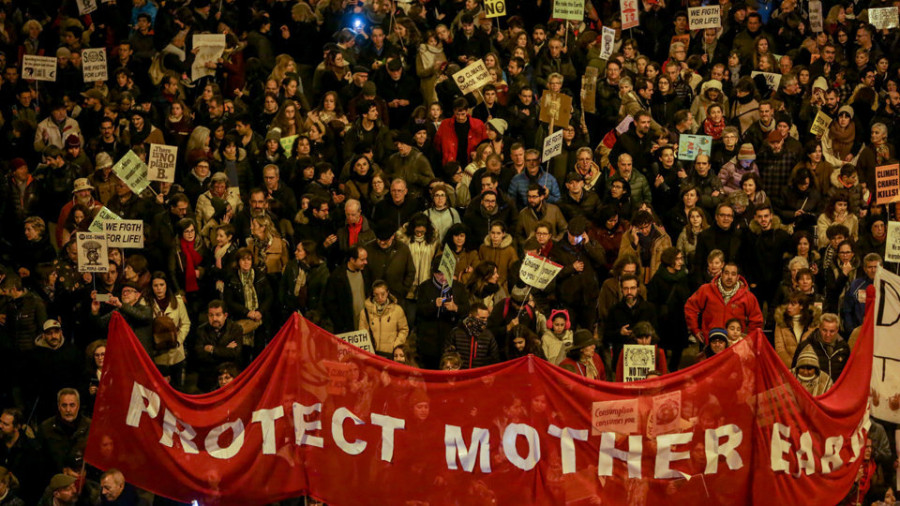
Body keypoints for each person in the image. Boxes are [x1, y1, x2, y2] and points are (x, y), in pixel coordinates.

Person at [684, 263, 764, 344]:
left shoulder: (748, 297)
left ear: (737, 277)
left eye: (733, 274)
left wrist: (748, 339)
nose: (729, 277)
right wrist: (695, 329)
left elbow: (756, 321)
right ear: (721, 274)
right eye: (726, 273)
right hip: (710, 342)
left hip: (734, 345)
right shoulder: (706, 290)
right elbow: (690, 307)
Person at [36, 389, 90, 476]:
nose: (68, 410)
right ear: (58, 406)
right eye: (64, 405)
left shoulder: (90, 427)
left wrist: (86, 472)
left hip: (84, 480)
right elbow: (39, 462)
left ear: (78, 406)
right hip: (54, 481)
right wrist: (62, 470)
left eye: (72, 405)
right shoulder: (46, 428)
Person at [194, 300, 243, 392]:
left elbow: (235, 353)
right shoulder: (201, 330)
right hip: (208, 377)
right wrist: (225, 350)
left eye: (218, 315)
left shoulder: (236, 329)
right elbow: (200, 355)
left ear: (225, 315)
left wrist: (212, 349)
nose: (214, 318)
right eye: (211, 315)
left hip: (230, 375)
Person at [791, 313, 851, 382]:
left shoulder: (844, 348)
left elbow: (848, 374)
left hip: (837, 390)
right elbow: (794, 372)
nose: (828, 334)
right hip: (813, 389)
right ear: (819, 327)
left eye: (832, 331)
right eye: (824, 330)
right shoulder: (805, 346)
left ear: (837, 330)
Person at [359, 280, 409, 358]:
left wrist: (396, 346)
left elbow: (404, 329)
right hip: (372, 354)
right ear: (373, 294)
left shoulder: (397, 310)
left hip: (390, 354)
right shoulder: (365, 312)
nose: (380, 298)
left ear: (387, 292)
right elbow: (362, 333)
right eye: (376, 295)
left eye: (383, 294)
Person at [444, 303, 499, 369]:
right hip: (460, 375)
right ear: (471, 316)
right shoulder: (456, 333)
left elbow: (495, 359)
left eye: (486, 318)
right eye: (482, 318)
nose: (485, 321)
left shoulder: (488, 335)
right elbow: (446, 355)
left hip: (478, 376)